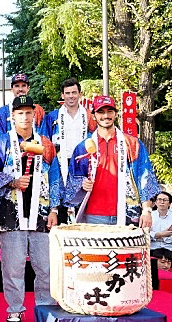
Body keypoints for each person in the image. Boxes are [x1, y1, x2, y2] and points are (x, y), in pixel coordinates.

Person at [0, 95, 60, 322]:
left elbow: (56, 178)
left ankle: (45, 306)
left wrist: (54, 209)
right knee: (13, 265)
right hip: (11, 214)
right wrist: (12, 182)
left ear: (35, 115)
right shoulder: (1, 144)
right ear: (12, 116)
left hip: (40, 213)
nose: (25, 116)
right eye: (20, 113)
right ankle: (15, 308)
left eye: (29, 112)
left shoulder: (46, 144)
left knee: (45, 265)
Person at [65, 95, 160, 226]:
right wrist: (82, 183)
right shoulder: (83, 147)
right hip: (94, 214)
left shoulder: (132, 144)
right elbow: (72, 179)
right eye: (101, 112)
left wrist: (147, 210)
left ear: (116, 114)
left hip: (129, 213)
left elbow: (144, 177)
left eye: (110, 111)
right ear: (93, 116)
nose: (106, 116)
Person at [41, 78, 96, 222]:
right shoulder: (52, 117)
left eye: (74, 92)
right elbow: (45, 141)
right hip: (59, 162)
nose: (71, 96)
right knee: (60, 198)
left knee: (82, 198)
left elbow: (95, 139)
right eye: (67, 93)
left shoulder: (89, 116)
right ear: (62, 95)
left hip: (82, 163)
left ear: (80, 94)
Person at [151, 191, 172, 259]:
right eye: (159, 199)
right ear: (155, 202)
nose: (162, 202)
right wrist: (159, 234)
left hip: (169, 248)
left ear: (169, 203)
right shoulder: (149, 216)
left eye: (165, 200)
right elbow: (145, 233)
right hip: (153, 248)